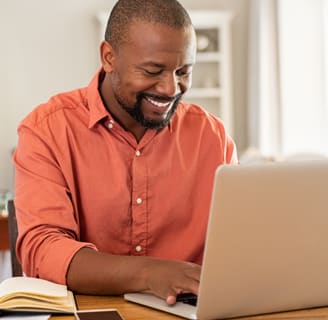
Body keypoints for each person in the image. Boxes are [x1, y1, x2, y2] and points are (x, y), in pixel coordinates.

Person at [13, 0, 238, 305]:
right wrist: (150, 274)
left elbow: (237, 246)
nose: (171, 88)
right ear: (108, 57)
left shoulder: (212, 137)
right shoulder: (46, 130)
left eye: (183, 71)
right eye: (153, 70)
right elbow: (44, 250)